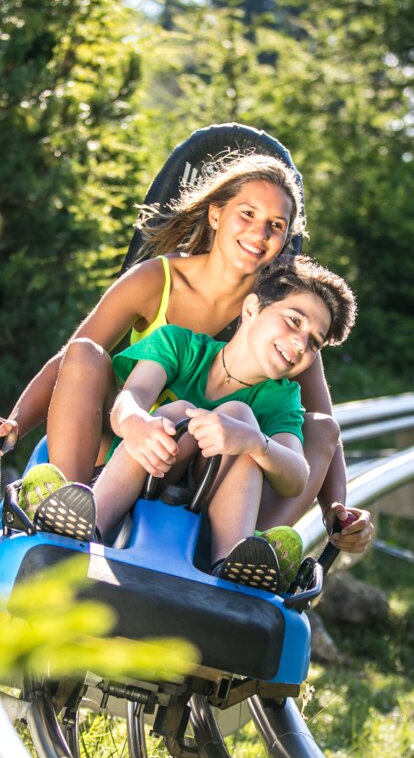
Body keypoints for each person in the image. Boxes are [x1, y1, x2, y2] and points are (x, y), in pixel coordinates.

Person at [0, 151, 373, 550]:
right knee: (86, 352)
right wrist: (16, 425)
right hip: (129, 438)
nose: (259, 233)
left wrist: (337, 507)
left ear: (284, 241)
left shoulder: (279, 316)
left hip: (214, 464)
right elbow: (73, 360)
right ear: (216, 215)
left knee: (309, 426)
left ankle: (254, 546)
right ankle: (73, 503)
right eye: (247, 214)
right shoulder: (159, 281)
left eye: (275, 226)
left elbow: (319, 433)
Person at [17, 255, 357, 593]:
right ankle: (91, 526)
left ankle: (234, 562)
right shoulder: (179, 345)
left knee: (239, 417)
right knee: (179, 411)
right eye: (293, 322)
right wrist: (136, 422)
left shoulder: (281, 398)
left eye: (314, 342)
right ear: (252, 309)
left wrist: (255, 441)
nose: (300, 343)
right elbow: (130, 398)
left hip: (211, 502)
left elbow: (298, 474)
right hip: (153, 465)